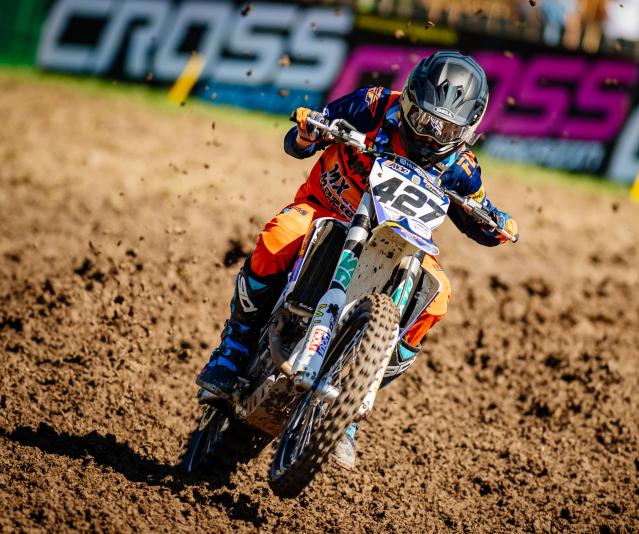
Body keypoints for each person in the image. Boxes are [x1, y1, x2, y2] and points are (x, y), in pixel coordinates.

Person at [195, 51, 518, 469]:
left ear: (468, 129)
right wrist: (310, 131)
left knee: (438, 297)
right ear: (409, 101)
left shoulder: (462, 168)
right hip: (327, 209)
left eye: (447, 129)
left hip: (395, 247)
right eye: (423, 119)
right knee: (281, 233)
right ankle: (233, 348)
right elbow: (300, 141)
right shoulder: (372, 105)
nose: (430, 135)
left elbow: (479, 219)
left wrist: (496, 223)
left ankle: (351, 403)